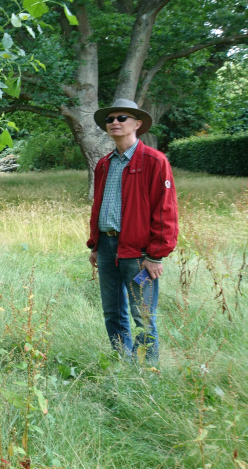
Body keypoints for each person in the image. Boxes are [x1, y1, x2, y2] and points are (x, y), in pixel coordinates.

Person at [86, 99, 179, 365]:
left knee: (142, 315)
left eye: (122, 117)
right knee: (112, 312)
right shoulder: (104, 164)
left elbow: (166, 210)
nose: (114, 122)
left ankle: (147, 371)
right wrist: (95, 245)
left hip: (138, 255)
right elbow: (100, 207)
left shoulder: (154, 161)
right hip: (107, 250)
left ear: (137, 124)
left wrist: (156, 255)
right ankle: (123, 363)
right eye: (110, 118)